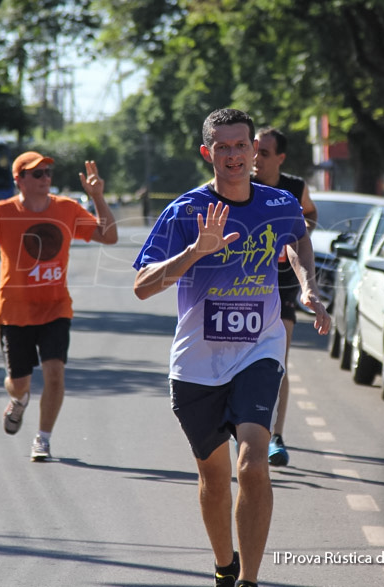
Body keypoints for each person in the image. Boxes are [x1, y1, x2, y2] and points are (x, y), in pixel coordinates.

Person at [133, 108, 330, 587]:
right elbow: (142, 286)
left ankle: (250, 581)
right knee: (215, 478)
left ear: (254, 152)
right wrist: (195, 251)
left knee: (253, 462)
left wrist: (307, 286)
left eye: (242, 146)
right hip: (197, 362)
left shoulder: (280, 203)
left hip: (257, 349)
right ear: (208, 153)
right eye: (223, 147)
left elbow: (298, 241)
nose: (235, 155)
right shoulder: (183, 213)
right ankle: (225, 565)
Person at [0, 152, 118, 461]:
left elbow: (108, 235)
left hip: (55, 308)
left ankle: (43, 439)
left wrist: (98, 197)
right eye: (36, 173)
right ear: (19, 180)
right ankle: (20, 399)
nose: (45, 178)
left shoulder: (67, 209)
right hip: (15, 312)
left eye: (47, 172)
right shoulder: (2, 213)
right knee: (18, 383)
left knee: (55, 373)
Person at [251, 127, 317, 468]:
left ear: (280, 158)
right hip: (244, 285)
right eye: (254, 150)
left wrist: (296, 234)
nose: (255, 159)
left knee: (278, 359)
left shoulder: (293, 188)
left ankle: (275, 435)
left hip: (283, 284)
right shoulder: (240, 185)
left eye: (264, 153)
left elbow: (311, 214)